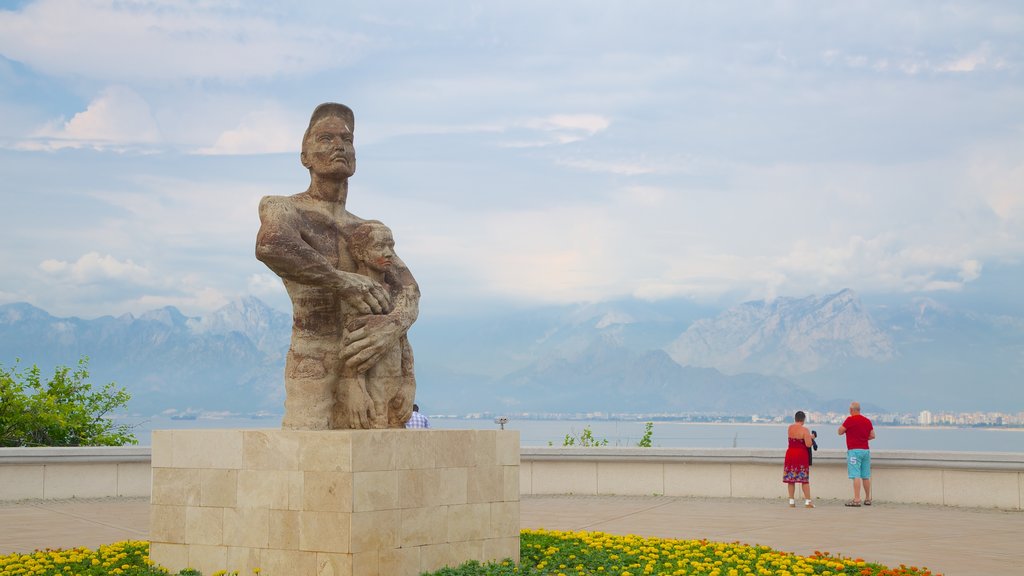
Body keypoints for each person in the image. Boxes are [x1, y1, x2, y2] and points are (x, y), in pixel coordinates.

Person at [255, 103, 420, 430]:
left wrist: (392, 326)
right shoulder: (286, 208)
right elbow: (271, 244)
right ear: (305, 156)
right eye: (325, 138)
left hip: (370, 360)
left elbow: (409, 289)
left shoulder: (366, 230)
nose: (339, 145)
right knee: (307, 456)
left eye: (346, 139)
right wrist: (342, 281)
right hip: (313, 360)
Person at [344, 220, 415, 428]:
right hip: (369, 388)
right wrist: (355, 388)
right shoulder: (357, 292)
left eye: (391, 246)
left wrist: (409, 383)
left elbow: (403, 341)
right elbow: (349, 346)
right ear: (359, 253)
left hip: (394, 384)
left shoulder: (395, 291)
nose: (388, 253)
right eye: (379, 247)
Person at [838, 401, 876, 506]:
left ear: (851, 410)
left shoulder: (849, 420)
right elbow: (872, 435)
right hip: (865, 451)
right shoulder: (867, 421)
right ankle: (868, 499)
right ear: (859, 410)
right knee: (866, 476)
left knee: (856, 475)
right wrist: (862, 438)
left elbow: (840, 431)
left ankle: (857, 499)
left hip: (854, 451)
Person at [783, 410, 815, 508]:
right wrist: (812, 437)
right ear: (803, 419)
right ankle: (808, 502)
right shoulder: (805, 430)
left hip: (790, 454)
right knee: (804, 480)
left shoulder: (790, 428)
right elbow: (808, 444)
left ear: (795, 418)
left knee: (791, 479)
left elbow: (795, 438)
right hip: (801, 456)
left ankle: (791, 502)